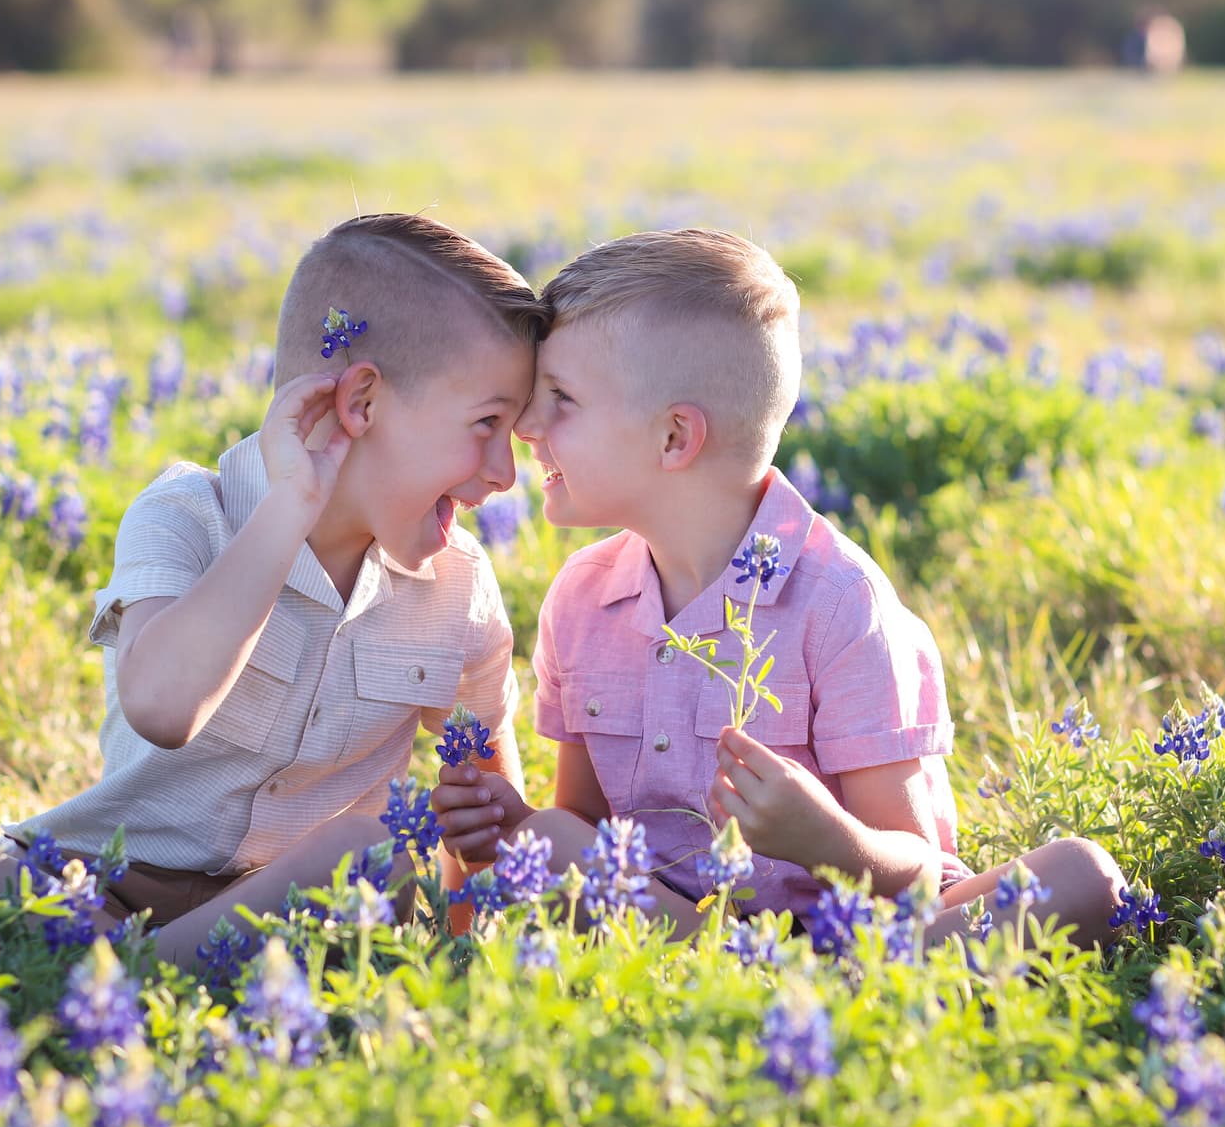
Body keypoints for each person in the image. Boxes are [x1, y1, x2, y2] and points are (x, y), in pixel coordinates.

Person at [0, 213, 548, 969]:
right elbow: (164, 708)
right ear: (363, 404)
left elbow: (481, 820)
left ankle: (98, 975)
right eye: (486, 425)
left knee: (369, 851)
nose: (505, 473)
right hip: (94, 881)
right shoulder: (187, 512)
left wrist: (464, 934)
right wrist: (290, 509)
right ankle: (128, 971)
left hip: (282, 905)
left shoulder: (460, 587)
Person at [434, 228, 1125, 946]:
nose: (526, 424)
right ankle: (809, 997)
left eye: (561, 398)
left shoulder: (839, 602)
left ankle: (837, 989)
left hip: (856, 925)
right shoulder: (582, 597)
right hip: (679, 929)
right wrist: (511, 825)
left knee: (1083, 876)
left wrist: (826, 839)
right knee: (548, 837)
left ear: (675, 437)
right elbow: (586, 825)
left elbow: (917, 871)